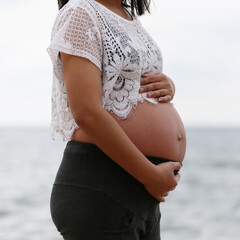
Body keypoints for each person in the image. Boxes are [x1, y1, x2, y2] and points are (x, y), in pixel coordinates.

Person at [47, 0, 187, 239]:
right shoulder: (80, 13)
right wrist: (150, 175)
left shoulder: (126, 15)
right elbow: (86, 112)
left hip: (138, 192)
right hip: (101, 185)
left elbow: (126, 84)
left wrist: (167, 86)